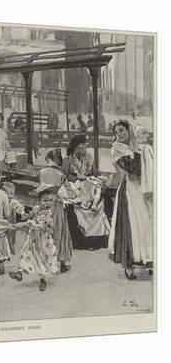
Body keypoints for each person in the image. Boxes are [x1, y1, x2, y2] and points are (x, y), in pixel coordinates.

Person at [108, 120, 153, 280]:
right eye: (116, 132)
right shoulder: (117, 148)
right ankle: (129, 265)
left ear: (128, 130)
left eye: (121, 130)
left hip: (143, 189)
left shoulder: (139, 145)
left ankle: (149, 260)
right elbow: (132, 169)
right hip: (129, 190)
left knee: (147, 224)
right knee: (131, 225)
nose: (119, 134)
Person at [61, 134, 109, 250]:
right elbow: (64, 176)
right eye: (82, 144)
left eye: (85, 144)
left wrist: (99, 177)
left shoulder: (89, 158)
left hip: (88, 186)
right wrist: (77, 178)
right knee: (79, 207)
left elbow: (95, 173)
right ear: (75, 146)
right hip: (75, 187)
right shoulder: (68, 160)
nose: (85, 146)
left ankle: (98, 239)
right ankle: (84, 241)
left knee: (99, 202)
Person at [9, 184, 60, 291]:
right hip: (32, 236)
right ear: (39, 200)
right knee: (25, 253)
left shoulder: (48, 213)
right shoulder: (36, 208)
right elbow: (31, 215)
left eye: (50, 201)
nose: (48, 203)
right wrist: (26, 216)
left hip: (42, 238)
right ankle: (20, 272)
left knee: (39, 257)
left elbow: (41, 225)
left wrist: (24, 224)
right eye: (45, 200)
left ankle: (42, 279)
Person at [40, 150, 73, 273]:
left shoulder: (41, 172)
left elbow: (41, 188)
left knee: (45, 231)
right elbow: (69, 191)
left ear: (48, 159)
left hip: (44, 205)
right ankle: (62, 262)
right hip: (56, 205)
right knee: (60, 231)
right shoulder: (61, 174)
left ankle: (45, 261)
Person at [1, 182, 26, 255]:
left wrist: (22, 213)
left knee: (10, 236)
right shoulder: (1, 202)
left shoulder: (13, 202)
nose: (9, 196)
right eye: (7, 194)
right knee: (3, 236)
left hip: (11, 222)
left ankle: (11, 249)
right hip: (3, 222)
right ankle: (3, 249)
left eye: (11, 194)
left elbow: (19, 207)